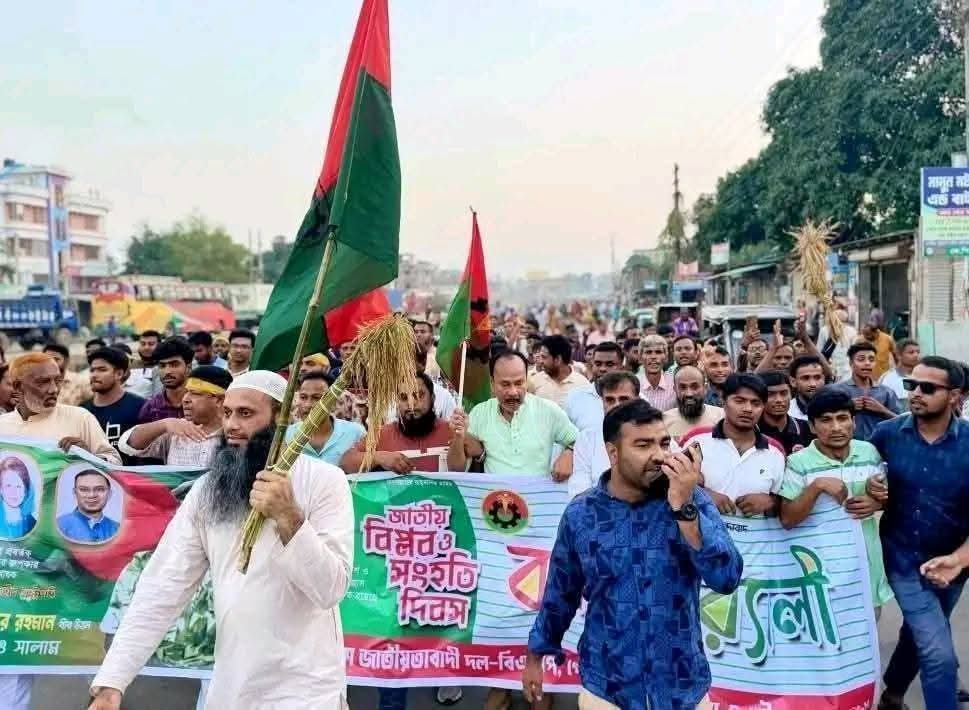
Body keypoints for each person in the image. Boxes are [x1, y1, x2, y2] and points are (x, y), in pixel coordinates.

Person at [87, 370, 353, 710]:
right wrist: (113, 681)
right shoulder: (207, 491)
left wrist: (288, 516)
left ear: (282, 419)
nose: (231, 425)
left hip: (306, 688)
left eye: (246, 413)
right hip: (232, 686)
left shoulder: (325, 481)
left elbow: (330, 589)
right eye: (227, 413)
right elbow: (163, 586)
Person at [523, 399, 742, 709]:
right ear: (613, 453)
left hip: (682, 686)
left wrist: (684, 509)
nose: (660, 455)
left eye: (663, 443)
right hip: (608, 688)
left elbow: (726, 577)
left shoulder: (690, 500)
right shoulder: (582, 514)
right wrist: (536, 654)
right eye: (643, 445)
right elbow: (561, 592)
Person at [342, 372, 463, 709]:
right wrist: (380, 457)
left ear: (432, 398)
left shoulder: (449, 430)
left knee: (441, 619)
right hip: (395, 551)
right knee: (395, 626)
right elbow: (347, 462)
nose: (411, 404)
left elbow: (464, 464)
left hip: (442, 548)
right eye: (404, 397)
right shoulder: (383, 434)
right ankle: (392, 699)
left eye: (419, 396)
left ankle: (445, 677)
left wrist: (460, 438)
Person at [864, 356, 969, 710]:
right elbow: (857, 473)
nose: (916, 393)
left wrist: (958, 560)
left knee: (920, 631)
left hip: (954, 564)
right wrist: (870, 491)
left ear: (954, 396)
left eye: (928, 387)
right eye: (911, 385)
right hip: (902, 559)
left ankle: (893, 695)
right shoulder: (887, 434)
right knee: (939, 654)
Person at [778, 388, 893, 613]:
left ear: (854, 422)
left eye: (842, 418)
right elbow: (788, 519)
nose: (836, 427)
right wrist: (817, 486)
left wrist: (876, 502)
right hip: (819, 573)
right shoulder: (798, 463)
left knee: (867, 630)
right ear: (812, 427)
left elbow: (887, 497)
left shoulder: (869, 452)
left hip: (865, 570)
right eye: (826, 420)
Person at [448, 349, 577, 477]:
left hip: (538, 490)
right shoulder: (480, 413)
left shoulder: (548, 410)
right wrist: (458, 438)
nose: (513, 392)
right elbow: (455, 469)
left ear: (526, 381)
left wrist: (569, 454)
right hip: (495, 490)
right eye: (505, 384)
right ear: (492, 384)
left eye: (519, 383)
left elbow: (579, 441)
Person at [682, 373, 785, 517]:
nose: (748, 409)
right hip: (703, 530)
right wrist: (703, 495)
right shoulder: (696, 440)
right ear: (723, 401)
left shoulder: (776, 452)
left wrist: (771, 502)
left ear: (763, 407)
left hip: (758, 531)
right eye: (739, 401)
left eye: (756, 403)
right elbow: (672, 485)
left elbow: (786, 502)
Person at [119, 366, 232, 467]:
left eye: (195, 393)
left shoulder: (235, 434)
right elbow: (127, 445)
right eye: (186, 392)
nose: (185, 399)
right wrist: (165, 424)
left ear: (219, 400)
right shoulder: (176, 430)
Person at [571, 371, 641, 497]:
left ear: (638, 401)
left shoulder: (655, 435)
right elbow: (580, 491)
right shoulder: (587, 438)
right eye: (610, 400)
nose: (617, 406)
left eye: (624, 399)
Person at [282, 371, 366, 468]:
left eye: (316, 398)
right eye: (303, 397)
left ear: (333, 402)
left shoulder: (356, 433)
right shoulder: (288, 435)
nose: (308, 405)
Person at [81, 347, 146, 456]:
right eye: (92, 370)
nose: (94, 375)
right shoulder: (82, 411)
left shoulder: (141, 407)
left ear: (119, 374)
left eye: (102, 370)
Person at [832, 342, 899, 441]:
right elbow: (826, 417)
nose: (867, 363)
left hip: (879, 445)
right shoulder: (837, 390)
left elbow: (901, 421)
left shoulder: (887, 392)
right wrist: (847, 406)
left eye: (871, 360)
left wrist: (882, 410)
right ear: (851, 363)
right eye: (861, 359)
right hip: (848, 445)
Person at [563, 341, 625, 433]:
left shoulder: (634, 398)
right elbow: (565, 435)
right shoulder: (575, 397)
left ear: (622, 368)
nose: (602, 369)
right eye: (598, 364)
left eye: (610, 364)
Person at [757, 370, 814, 455]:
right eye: (770, 394)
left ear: (791, 395)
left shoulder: (807, 428)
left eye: (784, 393)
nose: (779, 400)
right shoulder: (753, 430)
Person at [139, 337, 194, 423]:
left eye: (174, 365)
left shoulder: (202, 403)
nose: (167, 371)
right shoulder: (151, 408)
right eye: (162, 366)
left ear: (188, 367)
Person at [57, 469, 120, 543]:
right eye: (84, 489)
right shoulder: (58, 526)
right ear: (74, 493)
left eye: (99, 489)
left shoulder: (119, 529)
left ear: (109, 494)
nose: (91, 495)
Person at [663, 365, 724, 441]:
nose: (689, 394)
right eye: (683, 387)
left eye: (695, 387)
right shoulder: (664, 421)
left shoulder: (722, 418)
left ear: (705, 388)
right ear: (675, 389)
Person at [529, 334, 590, 408]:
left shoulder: (582, 385)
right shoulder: (534, 381)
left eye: (544, 357)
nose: (541, 361)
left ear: (558, 359)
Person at [45, 341, 92, 406]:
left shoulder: (80, 382)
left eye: (56, 359)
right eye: (47, 359)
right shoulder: (38, 383)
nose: (51, 363)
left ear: (66, 361)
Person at [878, 338, 920, 411]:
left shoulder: (923, 377)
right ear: (898, 355)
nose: (916, 355)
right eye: (911, 352)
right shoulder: (888, 378)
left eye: (918, 352)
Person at [638, 334, 677, 412]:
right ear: (640, 358)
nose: (653, 357)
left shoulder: (675, 383)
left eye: (658, 352)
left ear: (666, 357)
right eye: (648, 352)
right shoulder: (633, 384)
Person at [0, 458, 37, 539]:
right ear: (1, 489)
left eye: (18, 486)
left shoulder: (32, 524)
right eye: (8, 486)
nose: (13, 492)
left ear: (25, 490)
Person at [788, 355, 827, 422]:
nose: (813, 384)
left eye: (817, 377)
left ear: (823, 379)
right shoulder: (787, 412)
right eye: (805, 378)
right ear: (793, 382)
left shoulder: (837, 408)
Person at [127, 330, 161, 399]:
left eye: (151, 344)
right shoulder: (130, 366)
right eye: (143, 344)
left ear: (159, 345)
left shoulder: (164, 366)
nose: (146, 347)